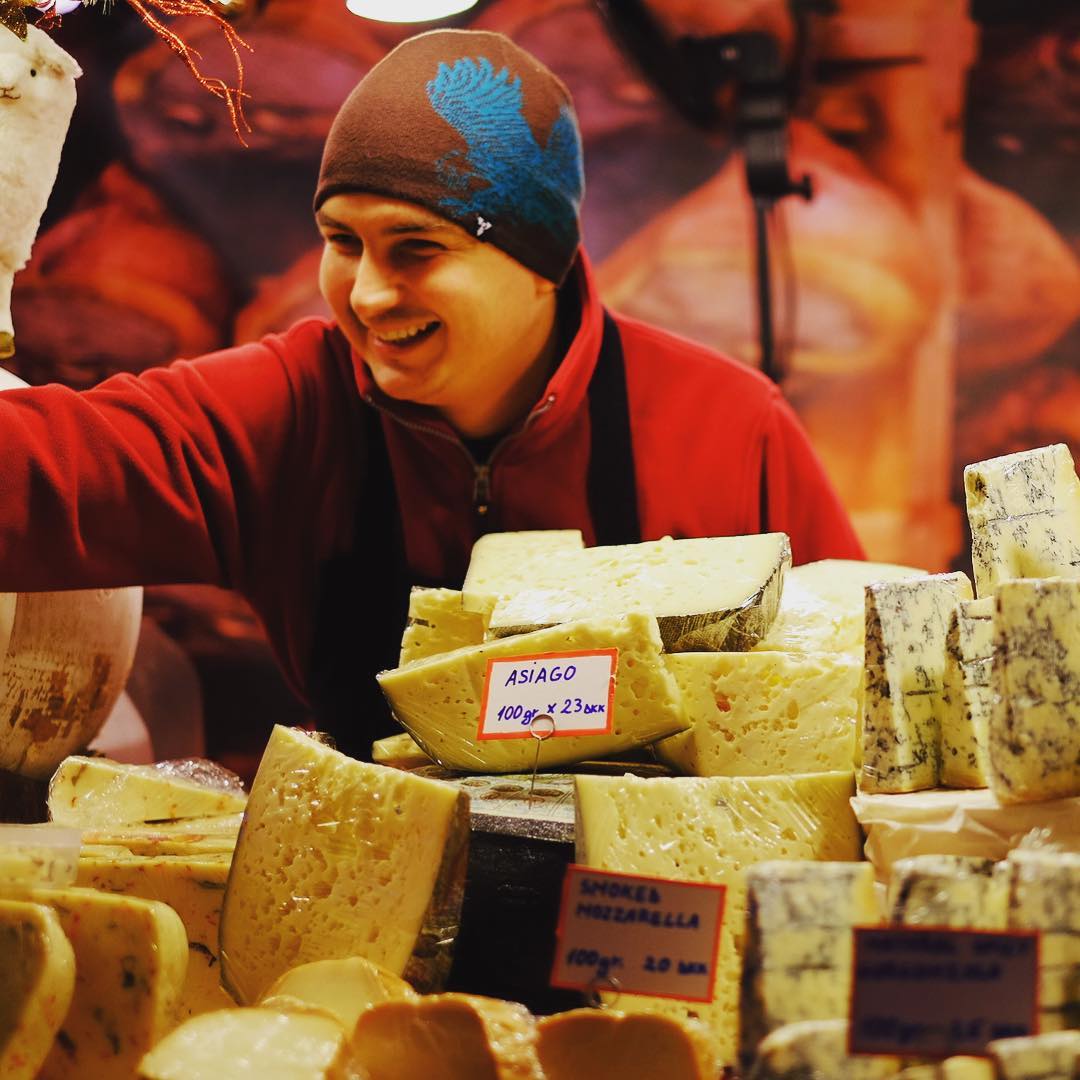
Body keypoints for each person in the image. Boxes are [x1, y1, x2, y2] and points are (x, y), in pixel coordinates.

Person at [0, 28, 863, 759]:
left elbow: (862, 688)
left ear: (540, 262)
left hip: (646, 891)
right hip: (367, 886)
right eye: (344, 242)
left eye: (416, 248)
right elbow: (41, 474)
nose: (369, 294)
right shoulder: (291, 408)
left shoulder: (727, 426)